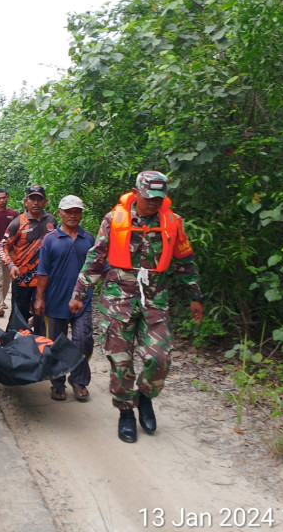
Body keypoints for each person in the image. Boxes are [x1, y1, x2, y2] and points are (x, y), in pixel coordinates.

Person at [69, 171, 204, 443]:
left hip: (154, 298)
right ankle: (126, 412)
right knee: (120, 359)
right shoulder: (114, 219)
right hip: (118, 298)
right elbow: (96, 258)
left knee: (160, 357)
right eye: (148, 197)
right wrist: (79, 293)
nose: (153, 203)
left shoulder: (173, 222)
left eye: (158, 198)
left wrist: (195, 295)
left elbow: (185, 260)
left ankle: (144, 396)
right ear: (136, 192)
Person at [33, 195, 95, 402]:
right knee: (55, 344)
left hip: (82, 302)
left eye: (77, 211)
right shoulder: (50, 239)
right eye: (68, 211)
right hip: (55, 301)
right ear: (59, 212)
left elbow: (98, 268)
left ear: (81, 213)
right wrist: (39, 298)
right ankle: (57, 382)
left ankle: (78, 380)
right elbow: (43, 272)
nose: (72, 215)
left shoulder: (89, 239)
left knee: (83, 340)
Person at [0, 184, 56, 336]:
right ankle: (14, 346)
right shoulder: (18, 222)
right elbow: (2, 246)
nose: (35, 202)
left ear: (45, 202)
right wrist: (10, 265)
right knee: (18, 320)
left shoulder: (52, 221)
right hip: (22, 279)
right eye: (32, 199)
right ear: (26, 202)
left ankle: (41, 347)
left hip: (44, 280)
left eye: (39, 199)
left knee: (42, 318)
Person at [0, 188, 18, 318]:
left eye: (3, 197)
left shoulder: (13, 214)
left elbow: (17, 233)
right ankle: (0, 305)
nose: (1, 200)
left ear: (7, 198)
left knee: (6, 280)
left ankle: (2, 300)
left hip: (10, 251)